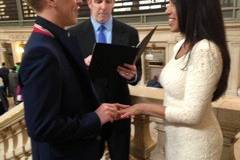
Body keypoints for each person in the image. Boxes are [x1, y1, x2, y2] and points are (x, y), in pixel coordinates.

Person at [119, 0, 230, 159]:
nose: (167, 10)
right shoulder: (181, 44)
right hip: (177, 141)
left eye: (173, 3)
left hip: (197, 145)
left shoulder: (205, 49)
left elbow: (191, 114)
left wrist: (142, 107)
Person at [20, 0, 125, 159]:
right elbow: (42, 127)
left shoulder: (55, 39)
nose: (79, 1)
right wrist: (96, 118)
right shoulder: (41, 51)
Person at [69, 0, 142, 159]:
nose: (103, 6)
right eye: (98, 1)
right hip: (89, 113)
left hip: (120, 112)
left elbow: (138, 74)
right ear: (89, 3)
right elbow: (68, 76)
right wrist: (82, 66)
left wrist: (133, 75)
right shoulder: (73, 34)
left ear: (113, 3)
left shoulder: (130, 33)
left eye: (108, 1)